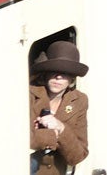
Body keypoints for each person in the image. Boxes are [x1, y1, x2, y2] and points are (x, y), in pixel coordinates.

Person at [29, 40, 90, 174]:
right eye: (54, 71)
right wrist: (53, 136)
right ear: (46, 74)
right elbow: (21, 139)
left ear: (71, 80)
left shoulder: (79, 101)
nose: (58, 77)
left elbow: (78, 155)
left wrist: (61, 128)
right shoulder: (30, 95)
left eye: (65, 73)